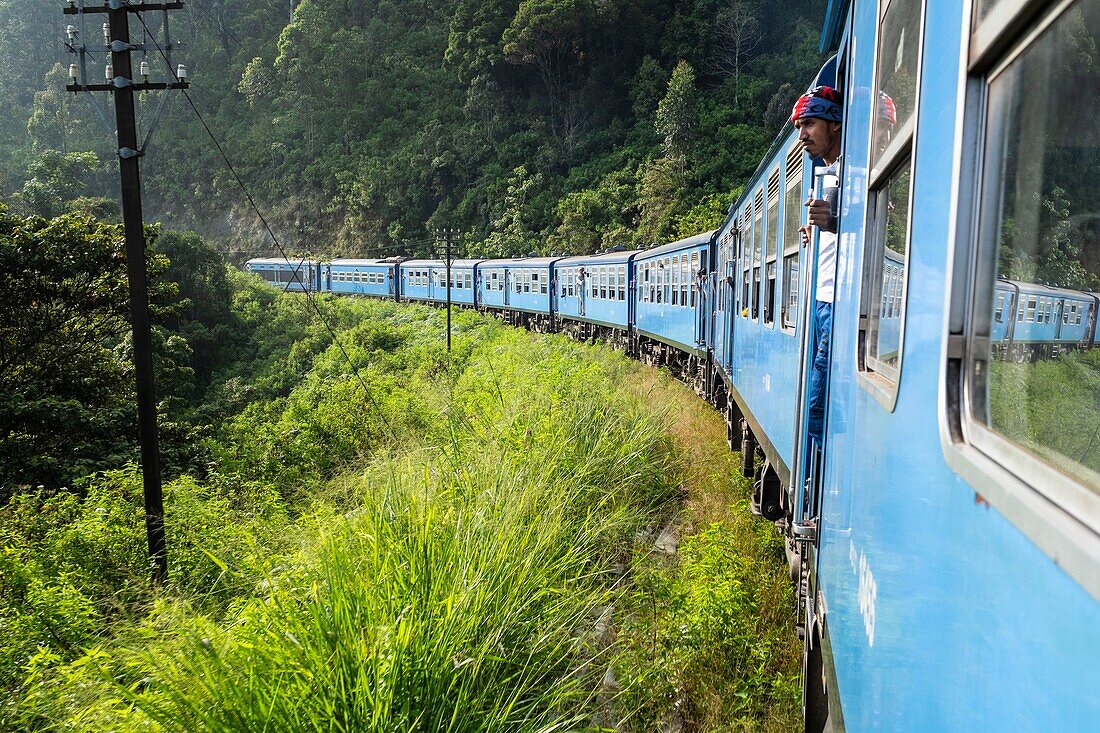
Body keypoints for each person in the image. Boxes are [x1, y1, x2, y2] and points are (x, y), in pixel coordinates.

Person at [792, 85, 843, 446]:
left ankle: (817, 490)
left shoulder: (852, 175)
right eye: (798, 127)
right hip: (821, 301)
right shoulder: (826, 175)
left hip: (836, 303)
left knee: (817, 409)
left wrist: (835, 222)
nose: (802, 135)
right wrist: (817, 235)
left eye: (809, 123)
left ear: (835, 123)